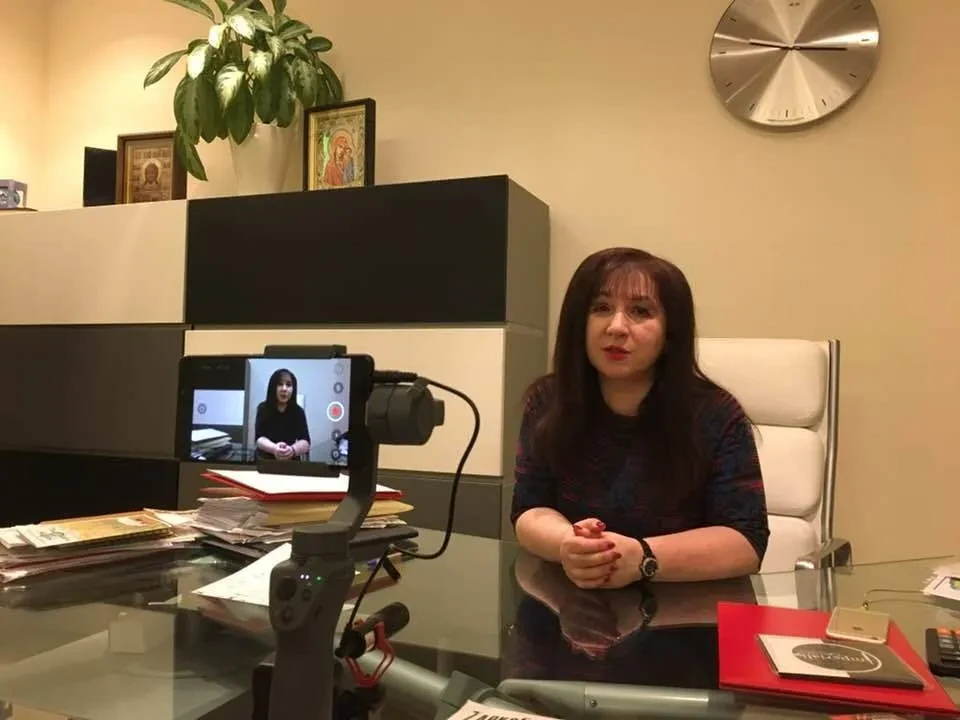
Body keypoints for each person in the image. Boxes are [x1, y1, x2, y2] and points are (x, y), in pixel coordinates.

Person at [512, 247, 769, 588]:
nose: (616, 327)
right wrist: (570, 544)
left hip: (684, 608)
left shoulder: (716, 414)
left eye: (640, 311)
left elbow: (747, 541)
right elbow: (529, 509)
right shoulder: (548, 401)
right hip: (569, 605)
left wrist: (643, 557)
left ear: (670, 331)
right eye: (601, 308)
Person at [254, 368, 311, 461]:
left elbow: (306, 441)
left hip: (290, 460)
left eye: (288, 385)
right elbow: (259, 439)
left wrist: (292, 450)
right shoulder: (263, 408)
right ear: (273, 387)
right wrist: (274, 448)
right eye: (280, 384)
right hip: (265, 459)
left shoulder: (298, 411)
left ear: (293, 389)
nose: (284, 389)